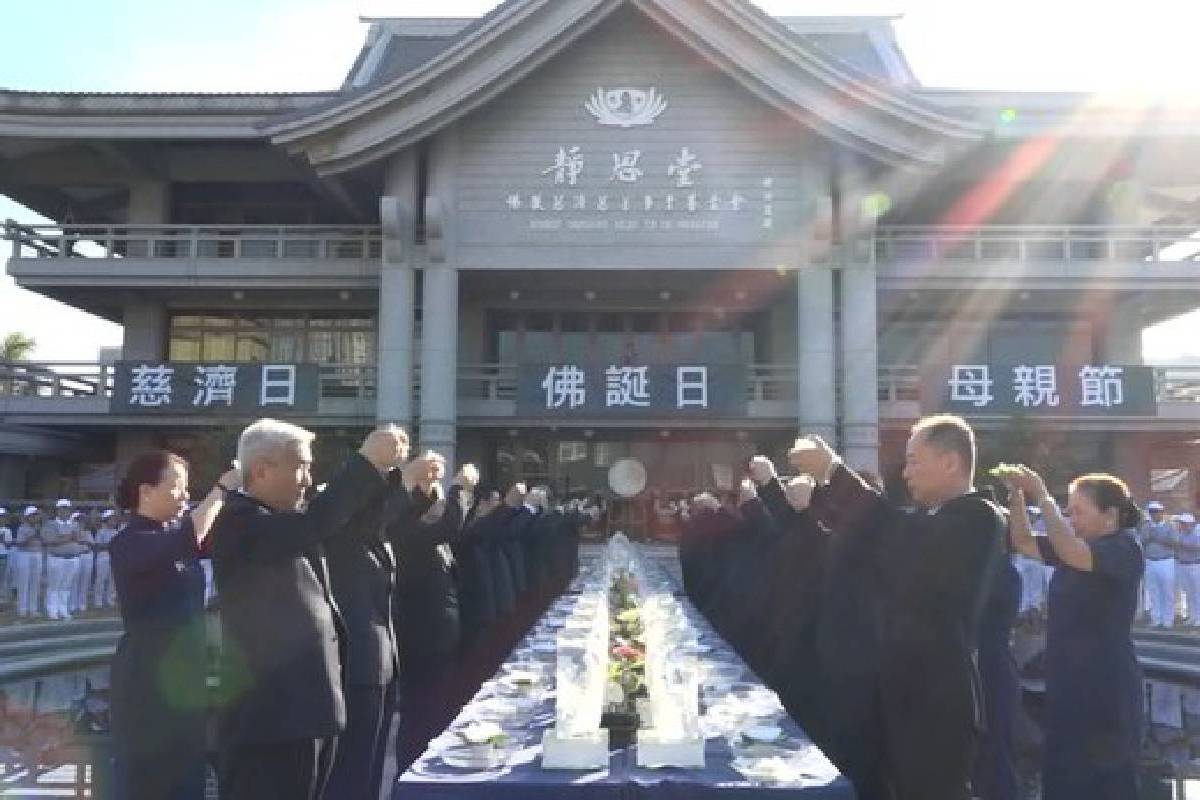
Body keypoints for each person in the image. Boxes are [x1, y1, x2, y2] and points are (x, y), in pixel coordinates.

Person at [791, 415, 1007, 800]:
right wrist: (819, 497)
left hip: (936, 701)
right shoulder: (928, 518)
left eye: (914, 462)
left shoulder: (978, 517)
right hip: (901, 690)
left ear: (950, 462)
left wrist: (836, 472)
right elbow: (867, 540)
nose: (906, 474)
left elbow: (895, 535)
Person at [211, 419, 408, 800]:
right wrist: (365, 462)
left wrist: (385, 472)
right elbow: (320, 519)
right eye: (299, 466)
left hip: (308, 713)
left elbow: (342, 519)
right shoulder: (241, 522)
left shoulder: (284, 522)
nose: (306, 479)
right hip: (272, 722)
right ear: (262, 471)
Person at [1003, 467, 1144, 800]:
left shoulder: (1122, 547)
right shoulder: (1075, 545)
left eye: (1078, 511)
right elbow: (1023, 541)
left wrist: (1043, 494)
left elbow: (1071, 552)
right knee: (1064, 775)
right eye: (1069, 511)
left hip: (1105, 686)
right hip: (1068, 681)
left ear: (1110, 515)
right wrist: (1017, 495)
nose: (1071, 518)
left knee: (1105, 781)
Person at [109, 450, 236, 800]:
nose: (184, 495)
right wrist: (221, 490)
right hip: (147, 680)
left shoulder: (176, 535)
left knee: (187, 777)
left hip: (186, 675)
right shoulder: (130, 542)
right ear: (146, 491)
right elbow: (188, 537)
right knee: (145, 779)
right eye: (176, 487)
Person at [323, 438, 442, 800]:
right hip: (358, 662)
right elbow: (379, 512)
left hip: (382, 662)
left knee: (372, 769)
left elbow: (391, 516)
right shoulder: (343, 532)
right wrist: (397, 476)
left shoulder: (374, 536)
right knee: (352, 770)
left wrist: (421, 492)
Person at [41, 499, 82, 621]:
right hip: (56, 558)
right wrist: (69, 537)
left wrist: (64, 537)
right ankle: (52, 610)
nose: (65, 511)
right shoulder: (50, 524)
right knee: (54, 586)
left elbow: (79, 538)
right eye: (62, 508)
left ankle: (63, 609)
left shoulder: (74, 524)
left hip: (73, 558)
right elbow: (50, 540)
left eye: (67, 508)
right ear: (58, 510)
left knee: (66, 586)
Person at [1140, 500, 1177, 627]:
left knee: (1167, 591)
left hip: (1166, 561)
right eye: (1152, 512)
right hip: (1151, 561)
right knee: (1153, 591)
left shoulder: (1169, 526)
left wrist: (1158, 538)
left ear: (1162, 513)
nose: (1154, 514)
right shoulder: (1146, 527)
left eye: (1156, 512)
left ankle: (1168, 620)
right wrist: (1149, 537)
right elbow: (1142, 542)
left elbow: (1174, 543)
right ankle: (1156, 619)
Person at [12, 506, 44, 618]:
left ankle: (33, 609)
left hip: (37, 554)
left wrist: (40, 534)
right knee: (24, 582)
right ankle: (22, 609)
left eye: (36, 515)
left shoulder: (40, 528)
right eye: (32, 515)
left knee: (35, 583)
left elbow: (45, 541)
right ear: (27, 517)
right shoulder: (22, 528)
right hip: (24, 555)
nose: (35, 517)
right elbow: (20, 544)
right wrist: (33, 535)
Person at [1173, 514, 1200, 627]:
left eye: (1184, 523)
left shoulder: (1197, 535)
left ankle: (1198, 617)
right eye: (1181, 523)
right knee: (1188, 593)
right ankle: (1192, 616)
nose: (1182, 525)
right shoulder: (1180, 535)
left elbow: (1196, 548)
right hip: (1183, 564)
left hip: (1194, 565)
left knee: (1196, 593)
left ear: (1190, 524)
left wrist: (1182, 545)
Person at [92, 509, 119, 609]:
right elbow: (97, 546)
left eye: (114, 518)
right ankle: (98, 600)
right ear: (106, 520)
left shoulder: (117, 532)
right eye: (111, 519)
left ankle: (110, 599)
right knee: (101, 579)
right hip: (103, 556)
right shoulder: (101, 532)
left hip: (115, 557)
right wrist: (110, 545)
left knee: (113, 580)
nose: (113, 520)